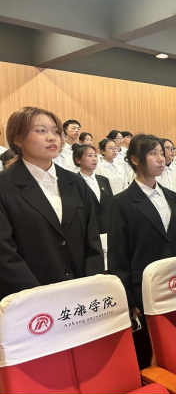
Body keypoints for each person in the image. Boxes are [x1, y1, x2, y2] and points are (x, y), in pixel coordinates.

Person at [0, 107, 104, 301]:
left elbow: (92, 239)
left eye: (56, 131)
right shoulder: (4, 185)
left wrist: (91, 286)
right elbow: (5, 253)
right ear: (17, 139)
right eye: (41, 130)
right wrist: (38, 297)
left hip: (81, 293)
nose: (52, 137)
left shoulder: (75, 181)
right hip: (32, 298)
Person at [108, 134, 176, 368]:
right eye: (153, 154)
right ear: (135, 159)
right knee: (152, 351)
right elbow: (118, 256)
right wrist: (129, 298)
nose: (161, 159)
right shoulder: (121, 203)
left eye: (162, 153)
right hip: (143, 288)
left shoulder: (173, 198)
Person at [73, 144, 113, 235]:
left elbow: (110, 205)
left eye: (95, 155)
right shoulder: (74, 182)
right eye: (89, 156)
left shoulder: (104, 180)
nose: (94, 159)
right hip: (86, 230)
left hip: (106, 229)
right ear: (78, 160)